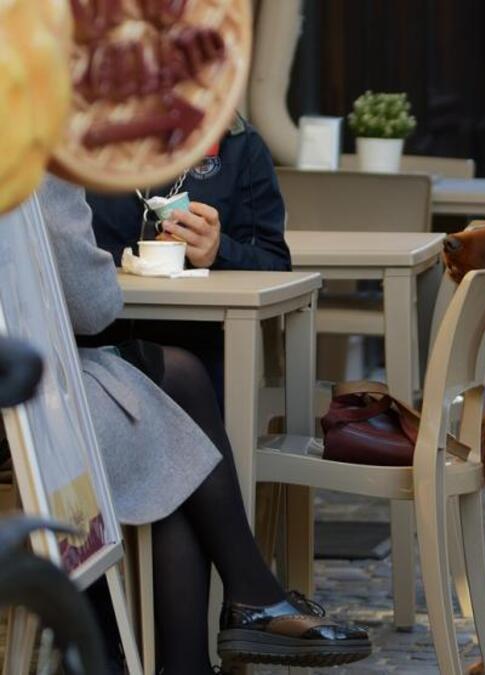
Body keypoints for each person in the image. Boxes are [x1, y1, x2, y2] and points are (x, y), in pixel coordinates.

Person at [38, 175, 370, 673]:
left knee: (176, 404)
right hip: (28, 410)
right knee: (176, 415)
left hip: (31, 392)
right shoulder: (34, 154)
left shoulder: (234, 151)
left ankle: (237, 611)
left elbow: (273, 259)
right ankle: (248, 601)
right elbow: (92, 306)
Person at [82, 114, 291, 390]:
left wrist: (218, 250)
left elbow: (276, 265)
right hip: (88, 348)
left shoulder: (237, 143)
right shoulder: (73, 141)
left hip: (193, 351)